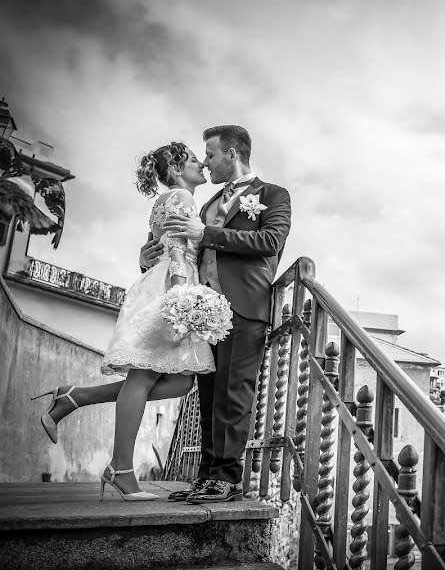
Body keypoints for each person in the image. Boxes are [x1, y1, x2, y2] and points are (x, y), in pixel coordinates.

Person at [32, 142, 214, 501]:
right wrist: (181, 295)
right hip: (172, 286)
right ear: (177, 169)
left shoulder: (165, 201)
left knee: (178, 382)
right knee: (145, 376)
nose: (202, 164)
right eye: (195, 159)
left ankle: (76, 397)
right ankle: (121, 469)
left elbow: (155, 247)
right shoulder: (182, 197)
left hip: (162, 281)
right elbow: (176, 248)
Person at [154, 125, 291, 503]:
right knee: (209, 394)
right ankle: (206, 476)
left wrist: (207, 234)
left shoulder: (273, 195)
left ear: (232, 154)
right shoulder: (208, 203)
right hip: (203, 313)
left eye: (211, 155)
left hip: (245, 308)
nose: (207, 163)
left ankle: (227, 477)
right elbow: (185, 246)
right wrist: (154, 256)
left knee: (235, 392)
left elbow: (270, 242)